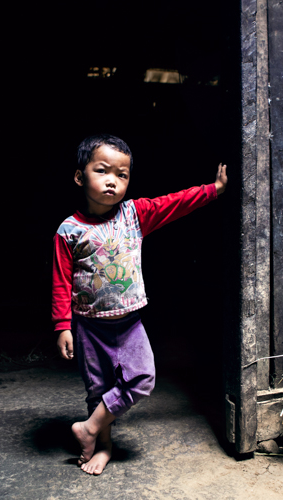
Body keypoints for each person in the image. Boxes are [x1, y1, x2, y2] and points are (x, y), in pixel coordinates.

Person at [52, 134, 227, 475]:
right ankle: (100, 447)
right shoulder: (68, 231)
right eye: (102, 171)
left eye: (122, 175)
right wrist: (62, 326)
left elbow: (175, 202)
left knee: (142, 379)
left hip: (128, 324)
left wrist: (215, 189)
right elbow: (60, 281)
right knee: (98, 391)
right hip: (89, 326)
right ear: (79, 176)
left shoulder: (135, 214)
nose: (112, 181)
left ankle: (87, 428)